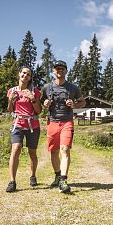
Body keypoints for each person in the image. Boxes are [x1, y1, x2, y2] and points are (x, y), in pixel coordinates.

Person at [42, 60, 86, 193]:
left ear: (66, 71)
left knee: (65, 149)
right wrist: (45, 103)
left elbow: (83, 102)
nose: (60, 70)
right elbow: (40, 102)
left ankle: (63, 180)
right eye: (57, 68)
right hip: (52, 122)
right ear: (53, 71)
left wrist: (74, 105)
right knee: (53, 151)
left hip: (67, 122)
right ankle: (57, 175)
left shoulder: (73, 88)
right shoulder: (47, 87)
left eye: (62, 68)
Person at [6, 66, 42, 192]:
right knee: (15, 149)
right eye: (23, 72)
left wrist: (32, 99)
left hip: (33, 125)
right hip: (17, 124)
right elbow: (10, 110)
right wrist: (10, 101)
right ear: (19, 74)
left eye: (28, 74)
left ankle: (32, 176)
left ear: (30, 78)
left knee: (32, 153)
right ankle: (12, 181)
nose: (25, 75)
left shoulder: (35, 91)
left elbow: (39, 111)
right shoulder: (12, 91)